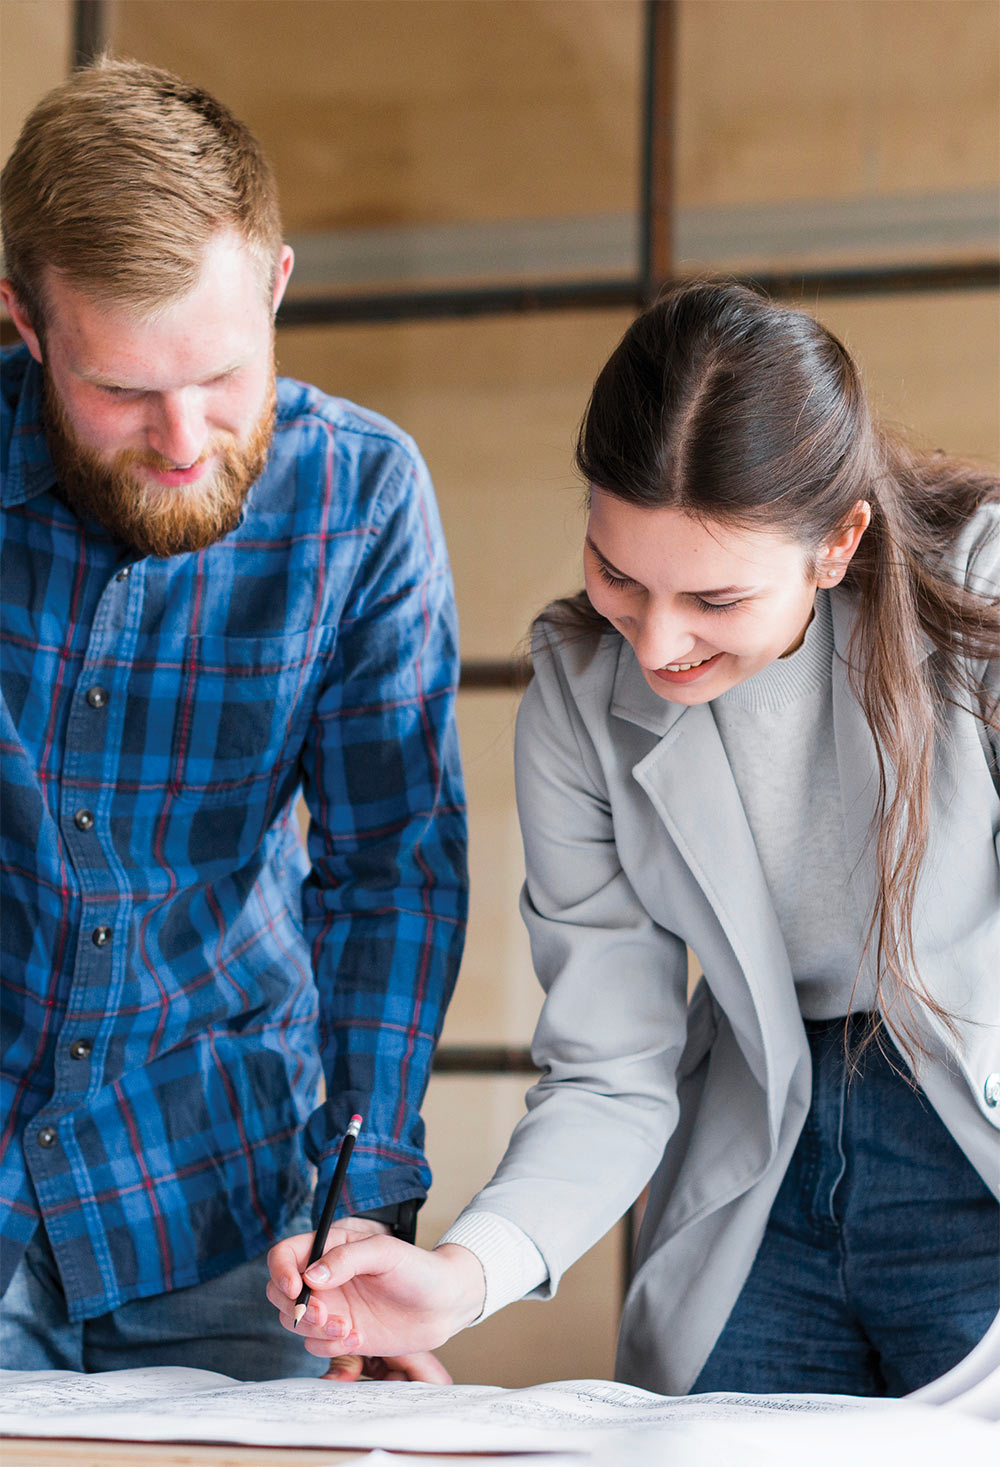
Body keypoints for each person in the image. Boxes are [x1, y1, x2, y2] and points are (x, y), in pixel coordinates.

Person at [265, 279, 999, 1396]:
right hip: (765, 1146)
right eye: (617, 574)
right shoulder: (574, 690)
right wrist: (461, 1277)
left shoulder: (980, 592)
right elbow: (611, 1069)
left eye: (714, 598)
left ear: (836, 543)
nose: (657, 645)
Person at [0, 57, 466, 1382]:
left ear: (274, 284)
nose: (187, 436)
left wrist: (364, 1209)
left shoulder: (359, 499)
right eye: (122, 391)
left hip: (214, 1198)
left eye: (219, 372)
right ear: (24, 326)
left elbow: (390, 876)